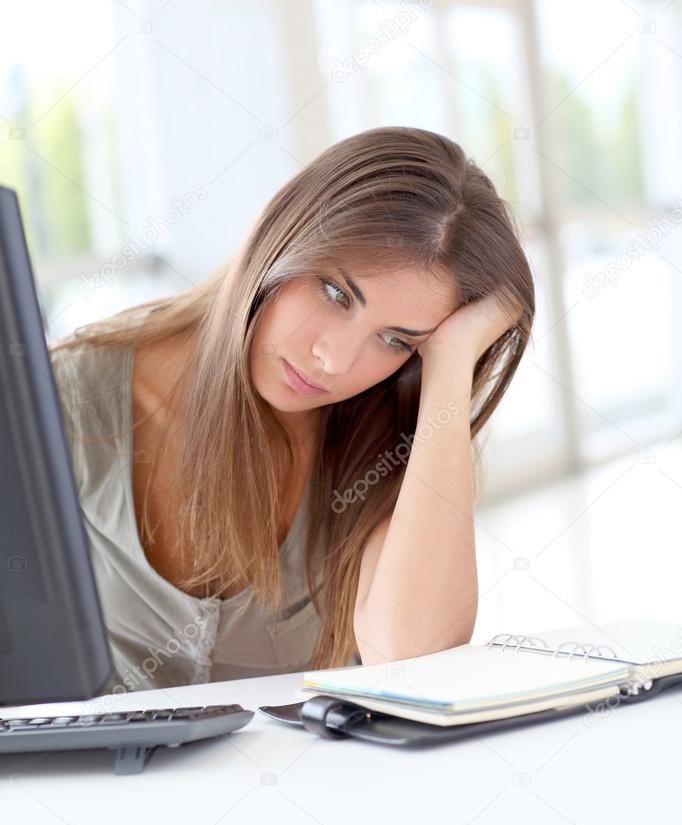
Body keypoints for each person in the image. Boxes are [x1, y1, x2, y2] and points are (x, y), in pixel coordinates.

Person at [50, 125, 534, 694]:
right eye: (335, 294)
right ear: (285, 237)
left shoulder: (390, 438)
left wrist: (450, 368)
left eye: (396, 340)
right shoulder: (69, 397)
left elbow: (412, 658)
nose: (333, 360)